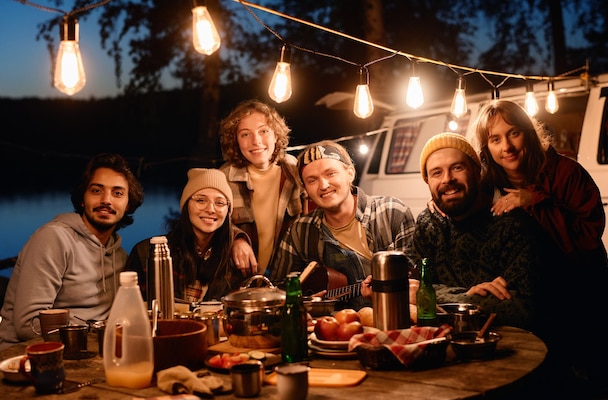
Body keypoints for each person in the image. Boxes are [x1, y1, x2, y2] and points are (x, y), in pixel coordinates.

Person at [472, 99, 608, 393]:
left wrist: (534, 199)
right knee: (550, 388)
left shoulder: (566, 172)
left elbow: (589, 234)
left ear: (529, 132)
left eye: (513, 133)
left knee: (605, 384)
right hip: (534, 304)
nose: (507, 146)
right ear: (486, 148)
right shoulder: (487, 186)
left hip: (585, 291)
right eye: (495, 139)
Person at [0, 153, 144, 350]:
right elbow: (28, 325)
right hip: (24, 355)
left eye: (117, 193)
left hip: (87, 351)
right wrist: (96, 331)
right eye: (96, 190)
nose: (106, 200)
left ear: (128, 205)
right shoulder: (53, 239)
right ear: (82, 199)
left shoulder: (119, 257)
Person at [411, 132, 537, 329]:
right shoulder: (429, 225)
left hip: (507, 348)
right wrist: (467, 296)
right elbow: (410, 289)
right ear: (428, 181)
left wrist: (435, 295)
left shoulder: (511, 223)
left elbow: (522, 309)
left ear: (477, 170)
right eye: (437, 173)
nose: (447, 179)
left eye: (457, 168)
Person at [271, 140, 416, 311]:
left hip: (392, 319)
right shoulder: (301, 231)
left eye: (331, 174)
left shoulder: (392, 213)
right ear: (305, 190)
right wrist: (301, 301)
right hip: (331, 330)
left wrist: (387, 293)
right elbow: (278, 289)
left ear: (350, 173)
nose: (323, 185)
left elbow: (415, 280)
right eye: (312, 180)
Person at [126, 168, 245, 303]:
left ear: (227, 211)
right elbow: (129, 309)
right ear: (186, 205)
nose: (211, 209)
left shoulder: (237, 260)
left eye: (220, 203)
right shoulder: (147, 253)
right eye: (201, 200)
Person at [219, 100, 305, 277]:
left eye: (263, 131)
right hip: (238, 282)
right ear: (235, 140)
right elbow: (208, 226)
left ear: (276, 135)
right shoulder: (223, 177)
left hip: (285, 278)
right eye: (245, 134)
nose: (256, 141)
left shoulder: (294, 171)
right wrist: (236, 239)